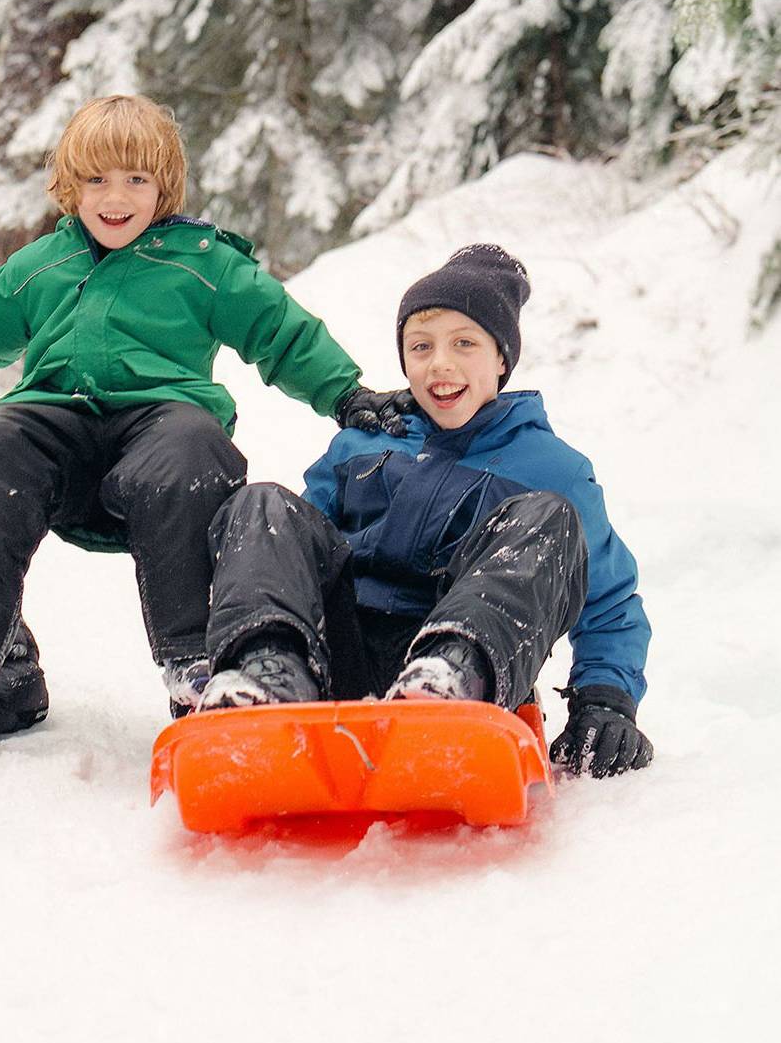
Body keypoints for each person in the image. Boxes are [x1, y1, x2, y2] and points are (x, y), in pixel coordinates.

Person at [0, 94, 409, 720]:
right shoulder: (44, 264)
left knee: (190, 441)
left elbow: (281, 329)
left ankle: (193, 658)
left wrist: (345, 393)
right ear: (69, 186)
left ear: (164, 187)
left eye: (137, 179)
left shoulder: (203, 262)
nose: (117, 196)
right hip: (57, 426)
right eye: (98, 179)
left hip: (163, 427)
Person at [199, 243, 654, 778]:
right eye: (421, 346)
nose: (441, 363)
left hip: (472, 659)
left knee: (548, 518)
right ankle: (267, 675)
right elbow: (296, 554)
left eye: (465, 343)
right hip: (340, 656)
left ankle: (448, 678)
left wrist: (605, 701)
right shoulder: (363, 443)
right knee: (264, 504)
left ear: (501, 358)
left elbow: (606, 599)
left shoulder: (552, 468)